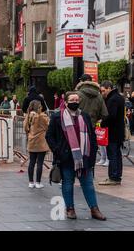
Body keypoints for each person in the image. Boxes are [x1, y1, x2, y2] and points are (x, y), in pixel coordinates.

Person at [46, 92, 106, 221]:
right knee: (68, 183)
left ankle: (94, 209)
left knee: (88, 184)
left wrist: (93, 151)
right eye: (72, 100)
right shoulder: (57, 117)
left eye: (77, 100)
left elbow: (91, 135)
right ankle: (70, 209)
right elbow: (49, 136)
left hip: (84, 158)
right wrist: (58, 151)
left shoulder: (84, 116)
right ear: (66, 102)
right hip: (66, 158)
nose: (75, 102)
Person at [75, 74, 108, 166]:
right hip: (92, 128)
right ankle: (89, 175)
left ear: (82, 81)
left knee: (77, 153)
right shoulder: (99, 96)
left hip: (77, 127)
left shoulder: (77, 95)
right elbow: (105, 114)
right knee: (90, 155)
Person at [99, 81, 125, 185]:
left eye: (103, 91)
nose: (102, 93)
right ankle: (117, 176)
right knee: (117, 154)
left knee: (113, 154)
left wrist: (102, 123)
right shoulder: (118, 97)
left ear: (109, 88)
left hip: (113, 131)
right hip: (118, 131)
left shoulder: (113, 99)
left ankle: (114, 177)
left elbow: (111, 116)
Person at [23, 100, 49, 189]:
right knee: (40, 163)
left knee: (32, 162)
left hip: (31, 141)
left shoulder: (28, 116)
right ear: (39, 107)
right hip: (41, 141)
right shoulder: (42, 117)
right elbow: (47, 126)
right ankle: (38, 182)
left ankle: (31, 182)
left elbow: (25, 128)